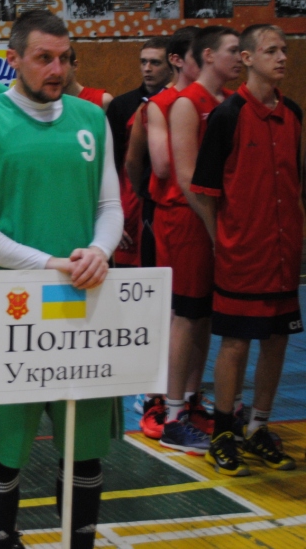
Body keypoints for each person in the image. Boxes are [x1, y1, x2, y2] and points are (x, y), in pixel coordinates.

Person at [0, 10, 123, 549]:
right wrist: (48, 263)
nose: (57, 69)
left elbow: (110, 206)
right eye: (44, 58)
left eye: (65, 58)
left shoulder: (91, 118)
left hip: (85, 309)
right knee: (4, 455)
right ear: (14, 60)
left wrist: (100, 250)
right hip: (16, 315)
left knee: (85, 451)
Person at [191, 25, 299, 476]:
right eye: (272, 50)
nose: (282, 57)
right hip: (242, 256)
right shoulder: (227, 115)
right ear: (249, 58)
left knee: (277, 340)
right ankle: (222, 433)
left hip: (284, 255)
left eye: (285, 50)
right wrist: (223, 239)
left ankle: (258, 428)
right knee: (235, 343)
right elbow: (203, 190)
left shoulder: (293, 113)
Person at [155, 26, 241, 455]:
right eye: (233, 50)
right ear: (208, 55)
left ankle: (191, 401)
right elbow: (186, 179)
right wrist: (215, 230)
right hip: (189, 220)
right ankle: (171, 416)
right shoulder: (187, 103)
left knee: (205, 316)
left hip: (217, 221)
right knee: (186, 316)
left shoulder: (230, 102)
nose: (240, 57)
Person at [136, 28, 210, 439]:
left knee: (202, 314)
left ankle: (191, 398)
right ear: (183, 60)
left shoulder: (219, 102)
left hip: (208, 215)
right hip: (173, 214)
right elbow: (160, 166)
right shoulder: (162, 105)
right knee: (175, 312)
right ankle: (159, 400)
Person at [107, 37, 171, 274]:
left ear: (172, 64)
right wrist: (112, 216)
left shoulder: (180, 103)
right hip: (130, 205)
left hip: (165, 204)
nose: (147, 68)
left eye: (155, 62)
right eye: (143, 62)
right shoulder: (121, 105)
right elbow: (110, 163)